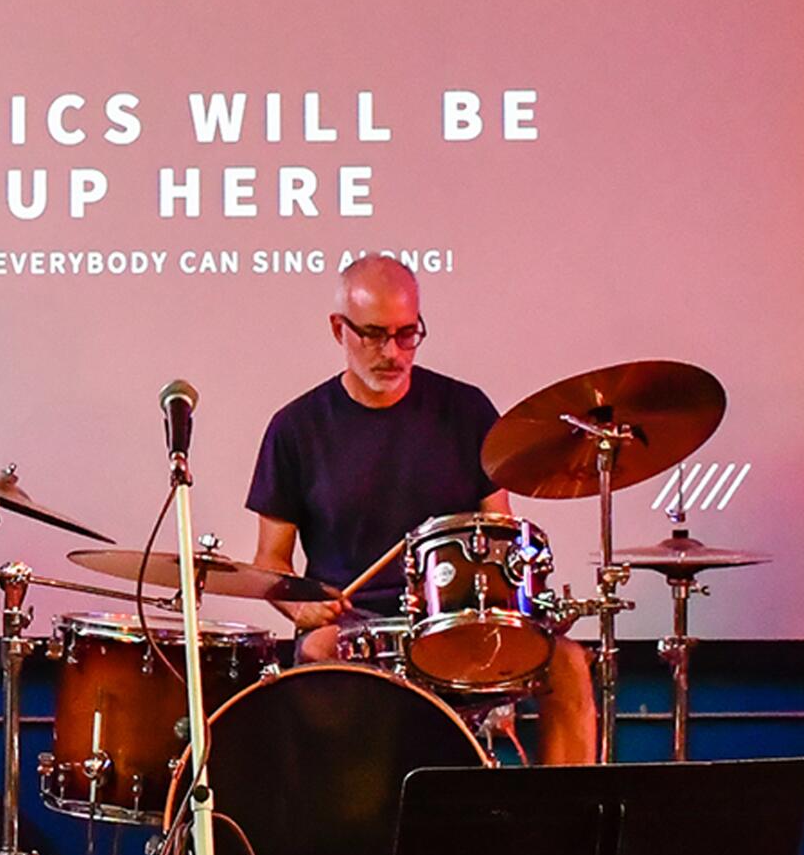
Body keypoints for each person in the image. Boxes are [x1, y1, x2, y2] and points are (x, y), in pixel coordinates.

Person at [246, 255, 596, 766]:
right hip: (355, 627)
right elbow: (269, 562)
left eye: (406, 334)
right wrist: (300, 607)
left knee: (566, 664)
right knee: (320, 650)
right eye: (373, 335)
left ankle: (566, 832)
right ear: (337, 329)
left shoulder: (467, 410)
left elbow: (499, 531)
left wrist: (520, 604)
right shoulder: (296, 428)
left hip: (452, 623)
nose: (392, 352)